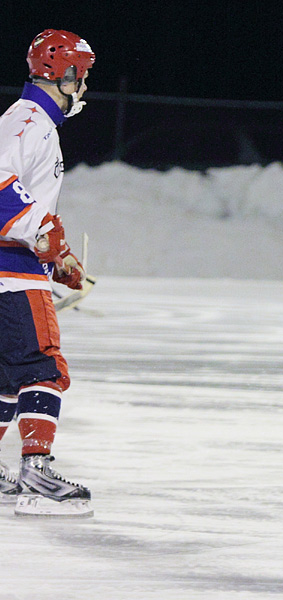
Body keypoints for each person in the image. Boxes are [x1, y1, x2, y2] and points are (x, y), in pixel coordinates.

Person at [0, 29, 95, 517]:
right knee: (42, 368)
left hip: (13, 267)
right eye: (83, 76)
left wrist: (55, 255)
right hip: (11, 275)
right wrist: (48, 238)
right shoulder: (30, 122)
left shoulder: (25, 121)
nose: (84, 89)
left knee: (4, 377)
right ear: (67, 74)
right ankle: (35, 473)